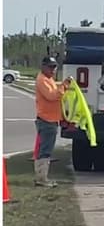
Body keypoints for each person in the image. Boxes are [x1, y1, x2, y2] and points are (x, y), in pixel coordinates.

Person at [34, 56, 73, 187]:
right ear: (43, 67)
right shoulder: (42, 80)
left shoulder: (48, 79)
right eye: (50, 67)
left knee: (45, 149)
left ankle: (41, 177)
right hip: (46, 120)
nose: (53, 70)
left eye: (55, 67)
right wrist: (64, 85)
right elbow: (52, 96)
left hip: (51, 119)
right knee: (45, 150)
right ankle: (41, 178)